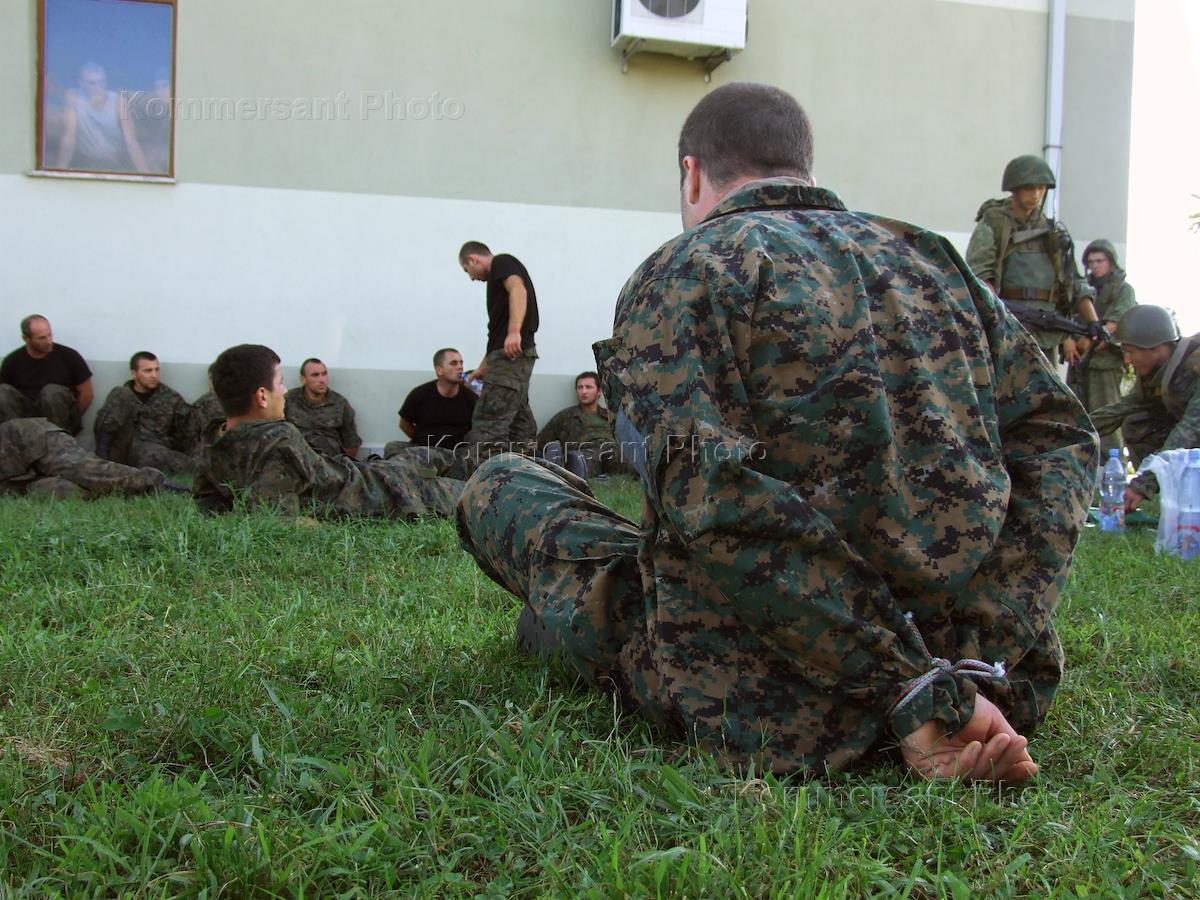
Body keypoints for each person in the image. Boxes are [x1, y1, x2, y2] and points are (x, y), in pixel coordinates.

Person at [456, 83, 1096, 781]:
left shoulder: (690, 265)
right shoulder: (933, 261)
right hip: (987, 676)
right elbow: (1059, 439)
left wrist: (911, 686)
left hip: (766, 698)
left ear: (693, 172)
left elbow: (713, 495)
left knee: (501, 485)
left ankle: (563, 630)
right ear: (804, 166)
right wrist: (968, 660)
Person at [194, 344, 463, 518]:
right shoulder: (277, 441)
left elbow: (208, 507)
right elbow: (280, 521)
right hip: (383, 490)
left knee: (428, 456)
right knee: (474, 493)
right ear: (262, 396)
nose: (285, 391)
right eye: (280, 383)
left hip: (363, 471)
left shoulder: (212, 443)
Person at [965, 155, 1099, 366]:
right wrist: (996, 315)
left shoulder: (1052, 231)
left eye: (1041, 188)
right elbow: (979, 274)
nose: (1035, 195)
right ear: (1014, 188)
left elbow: (1073, 281)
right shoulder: (995, 222)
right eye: (1029, 188)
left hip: (1047, 330)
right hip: (1008, 326)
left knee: (1048, 396)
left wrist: (1093, 322)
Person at [1090, 305, 1199, 513]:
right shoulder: (1158, 374)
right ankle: (1179, 497)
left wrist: (1143, 484)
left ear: (1157, 348)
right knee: (1138, 422)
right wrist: (1069, 430)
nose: (1127, 360)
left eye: (1131, 352)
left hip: (1194, 434)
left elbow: (1190, 430)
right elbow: (1120, 410)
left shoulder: (1196, 366)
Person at [458, 241, 539, 461]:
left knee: (489, 423)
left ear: (473, 259)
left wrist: (514, 331)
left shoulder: (502, 262)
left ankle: (486, 484)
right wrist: (483, 368)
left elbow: (518, 289)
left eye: (468, 270)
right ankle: (527, 472)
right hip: (506, 358)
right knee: (518, 423)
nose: (472, 277)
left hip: (510, 358)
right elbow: (496, 335)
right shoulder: (496, 279)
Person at [1068, 240, 1137, 456]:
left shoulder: (1123, 289)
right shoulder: (1083, 290)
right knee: (1075, 417)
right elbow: (1065, 315)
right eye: (1090, 262)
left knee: (1108, 419)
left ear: (1111, 262)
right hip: (1079, 361)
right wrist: (1067, 340)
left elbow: (1118, 318)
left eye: (1100, 261)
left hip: (1105, 364)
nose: (1095, 266)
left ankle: (1111, 466)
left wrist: (1095, 336)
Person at [0, 417, 179, 499]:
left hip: (28, 438)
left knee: (84, 469)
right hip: (17, 476)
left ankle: (157, 482)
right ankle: (129, 491)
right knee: (61, 492)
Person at [93, 351, 197, 475]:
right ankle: (101, 463)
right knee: (121, 393)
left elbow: (189, 433)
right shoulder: (122, 395)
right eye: (148, 371)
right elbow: (104, 423)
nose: (154, 375)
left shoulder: (171, 398)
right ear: (134, 374)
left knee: (177, 461)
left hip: (151, 453)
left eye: (157, 370)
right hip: (120, 451)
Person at [0, 315, 93, 435]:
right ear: (26, 339)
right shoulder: (12, 361)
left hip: (58, 416)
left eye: (50, 335)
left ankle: (58, 439)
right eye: (42, 338)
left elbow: (87, 394)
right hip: (25, 417)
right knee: (2, 392)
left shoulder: (69, 356)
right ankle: (15, 439)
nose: (49, 341)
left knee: (51, 392)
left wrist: (72, 419)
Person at [385, 348, 477, 468]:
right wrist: (422, 441)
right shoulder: (420, 394)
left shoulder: (470, 398)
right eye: (454, 363)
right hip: (423, 450)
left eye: (461, 363)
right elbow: (404, 424)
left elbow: (476, 430)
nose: (460, 367)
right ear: (439, 370)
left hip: (455, 453)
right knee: (392, 447)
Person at [53, 62, 148, 173]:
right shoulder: (74, 100)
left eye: (102, 82)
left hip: (116, 162)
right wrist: (61, 167)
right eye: (92, 83)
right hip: (85, 163)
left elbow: (131, 142)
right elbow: (69, 136)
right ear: (81, 83)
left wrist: (146, 173)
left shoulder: (118, 102)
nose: (98, 87)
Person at [536, 371, 629, 478]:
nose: (583, 391)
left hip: (611, 451)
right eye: (580, 387)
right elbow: (541, 442)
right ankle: (563, 467)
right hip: (585, 452)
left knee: (624, 458)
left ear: (599, 391)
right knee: (580, 461)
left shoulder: (610, 416)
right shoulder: (565, 416)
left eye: (588, 387)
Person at [284, 358, 362, 459]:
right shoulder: (288, 400)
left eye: (324, 374)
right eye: (315, 375)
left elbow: (351, 444)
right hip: (297, 459)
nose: (322, 380)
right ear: (303, 379)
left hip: (330, 461)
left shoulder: (340, 403)